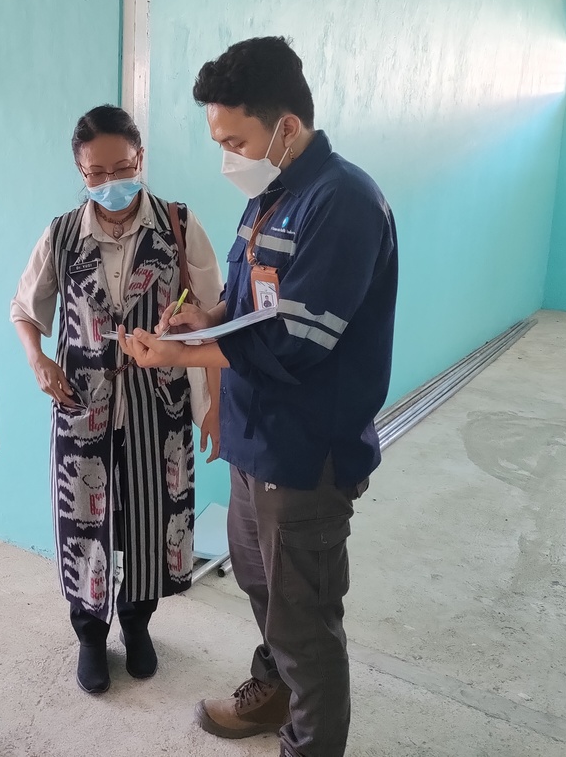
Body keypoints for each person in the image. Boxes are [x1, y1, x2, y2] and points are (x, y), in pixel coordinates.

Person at [118, 37, 398, 757]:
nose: (227, 158)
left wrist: (178, 355)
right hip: (255, 439)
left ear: (287, 128)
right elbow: (251, 304)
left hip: (305, 452)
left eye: (234, 141)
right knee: (262, 585)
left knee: (304, 620)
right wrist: (204, 318)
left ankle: (309, 741)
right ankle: (273, 695)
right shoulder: (270, 197)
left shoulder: (342, 202)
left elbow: (295, 342)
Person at [10, 105, 224, 695]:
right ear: (81, 172)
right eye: (97, 173)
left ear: (140, 159)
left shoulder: (177, 225)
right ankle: (89, 635)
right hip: (84, 410)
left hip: (160, 409)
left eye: (123, 168)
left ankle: (137, 624)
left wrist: (215, 405)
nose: (112, 183)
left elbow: (216, 317)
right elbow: (25, 309)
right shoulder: (62, 235)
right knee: (85, 525)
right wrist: (38, 359)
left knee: (151, 522)